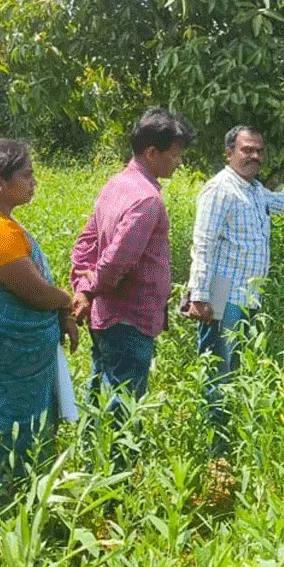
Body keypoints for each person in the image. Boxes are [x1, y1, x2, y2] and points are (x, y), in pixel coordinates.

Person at [0, 139, 79, 535]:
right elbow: (35, 292)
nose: (34, 182)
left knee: (7, 434)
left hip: (9, 356)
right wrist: (66, 301)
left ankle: (11, 521)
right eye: (26, 174)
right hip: (1, 356)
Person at [185, 125, 284, 456]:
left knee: (236, 368)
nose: (254, 156)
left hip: (246, 297)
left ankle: (227, 442)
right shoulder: (220, 190)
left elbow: (280, 201)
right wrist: (199, 296)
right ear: (229, 152)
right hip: (221, 293)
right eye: (247, 150)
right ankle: (216, 450)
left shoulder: (255, 190)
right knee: (219, 370)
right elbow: (202, 245)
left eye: (259, 151)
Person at [69, 108, 196, 441]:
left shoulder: (116, 185)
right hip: (129, 318)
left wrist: (83, 290)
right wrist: (91, 288)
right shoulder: (146, 199)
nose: (178, 162)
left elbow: (85, 244)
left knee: (98, 392)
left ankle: (88, 468)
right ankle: (113, 484)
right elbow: (114, 262)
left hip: (107, 316)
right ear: (151, 153)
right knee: (122, 409)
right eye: (174, 154)